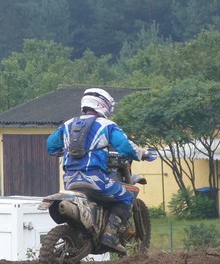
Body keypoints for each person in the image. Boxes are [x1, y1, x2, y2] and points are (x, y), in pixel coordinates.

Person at [46, 87, 148, 253]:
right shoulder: (107, 125)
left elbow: (51, 146)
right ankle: (110, 236)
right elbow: (124, 146)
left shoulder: (68, 124)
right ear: (103, 105)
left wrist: (65, 149)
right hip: (95, 180)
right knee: (126, 196)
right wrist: (141, 154)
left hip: (70, 181)